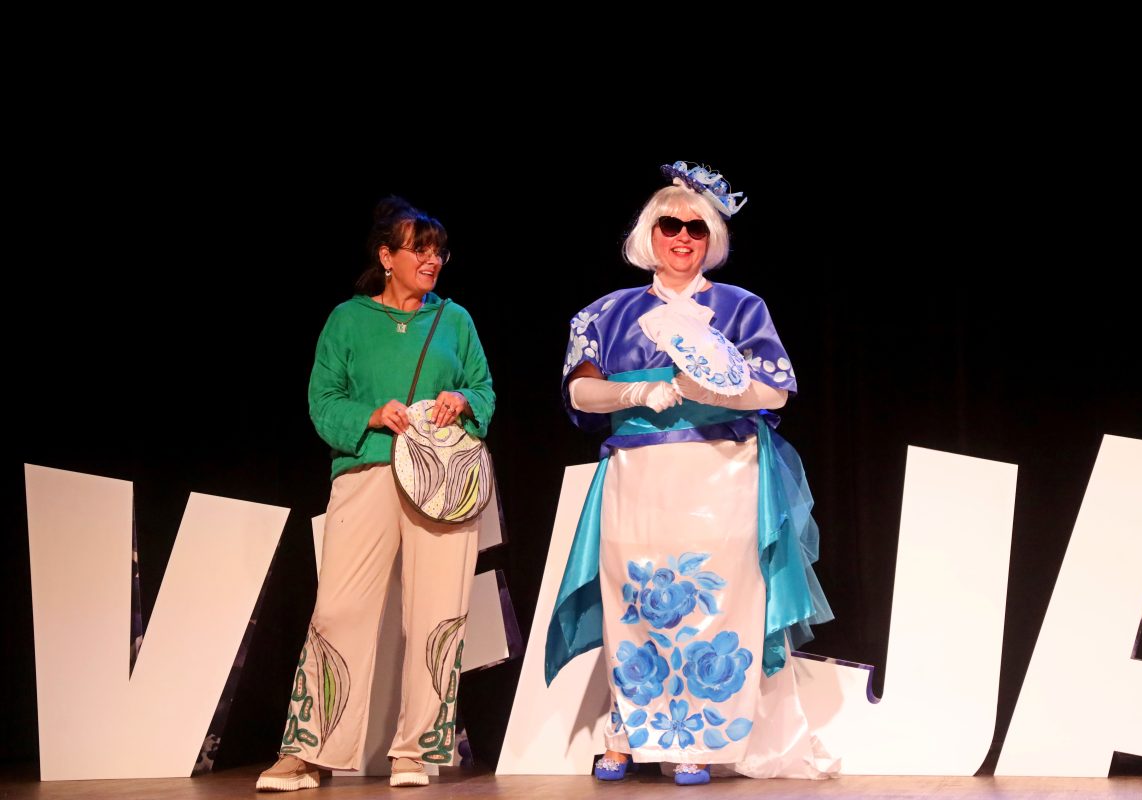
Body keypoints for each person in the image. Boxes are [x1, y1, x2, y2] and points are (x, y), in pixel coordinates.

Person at [546, 162, 837, 786]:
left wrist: (716, 390)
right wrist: (636, 393)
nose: (683, 237)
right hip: (638, 474)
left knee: (716, 602)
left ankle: (699, 739)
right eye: (670, 225)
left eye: (696, 228)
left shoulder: (741, 308)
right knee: (633, 597)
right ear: (648, 234)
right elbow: (579, 391)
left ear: (712, 238)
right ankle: (626, 730)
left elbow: (777, 390)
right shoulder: (606, 313)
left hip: (721, 472)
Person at [256, 196, 495, 791]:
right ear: (387, 257)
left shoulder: (455, 320)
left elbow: (484, 389)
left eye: (439, 252)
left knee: (438, 613)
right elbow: (322, 401)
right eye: (420, 250)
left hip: (441, 482)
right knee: (338, 609)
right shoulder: (348, 319)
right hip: (368, 473)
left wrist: (463, 401)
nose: (432, 261)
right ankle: (307, 752)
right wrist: (371, 414)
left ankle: (415, 751)